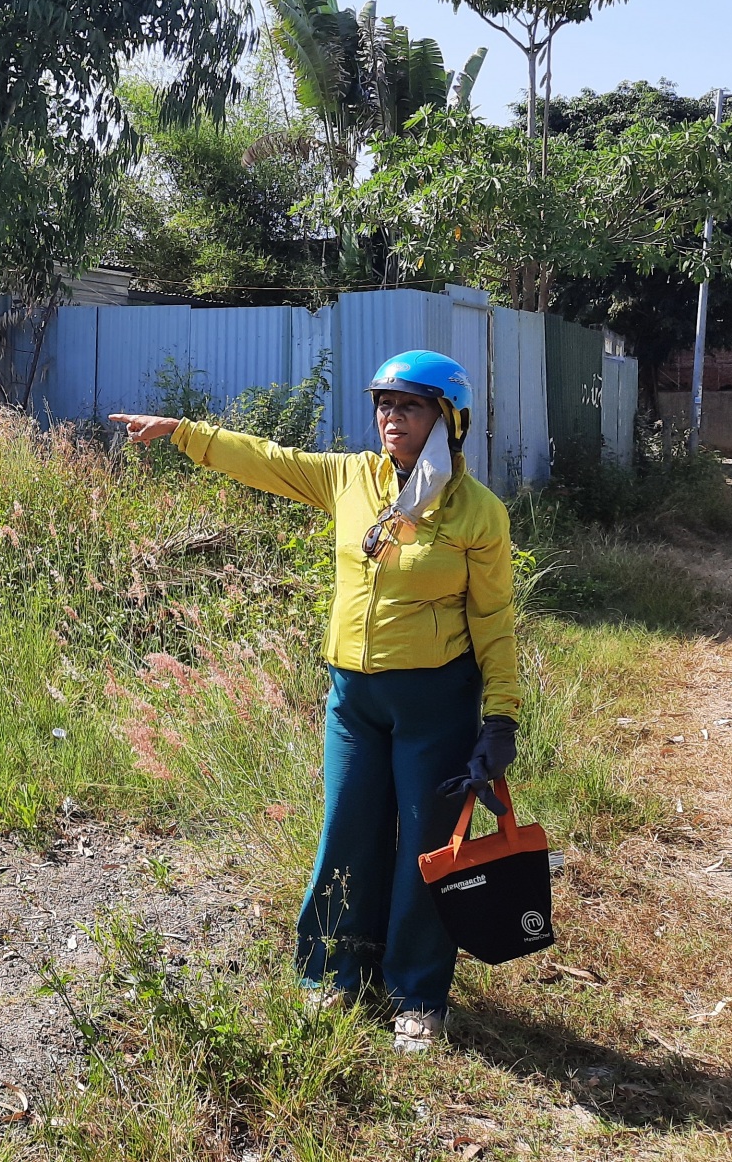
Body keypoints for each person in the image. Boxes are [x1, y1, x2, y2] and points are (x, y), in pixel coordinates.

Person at [110, 350, 521, 1053]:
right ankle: (332, 973)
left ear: (449, 420)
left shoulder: (477, 514)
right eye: (385, 404)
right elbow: (266, 459)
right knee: (346, 832)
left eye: (411, 406)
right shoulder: (350, 480)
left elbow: (493, 619)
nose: (392, 417)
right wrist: (182, 431)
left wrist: (501, 716)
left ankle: (417, 996)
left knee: (425, 848)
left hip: (434, 702)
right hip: (353, 700)